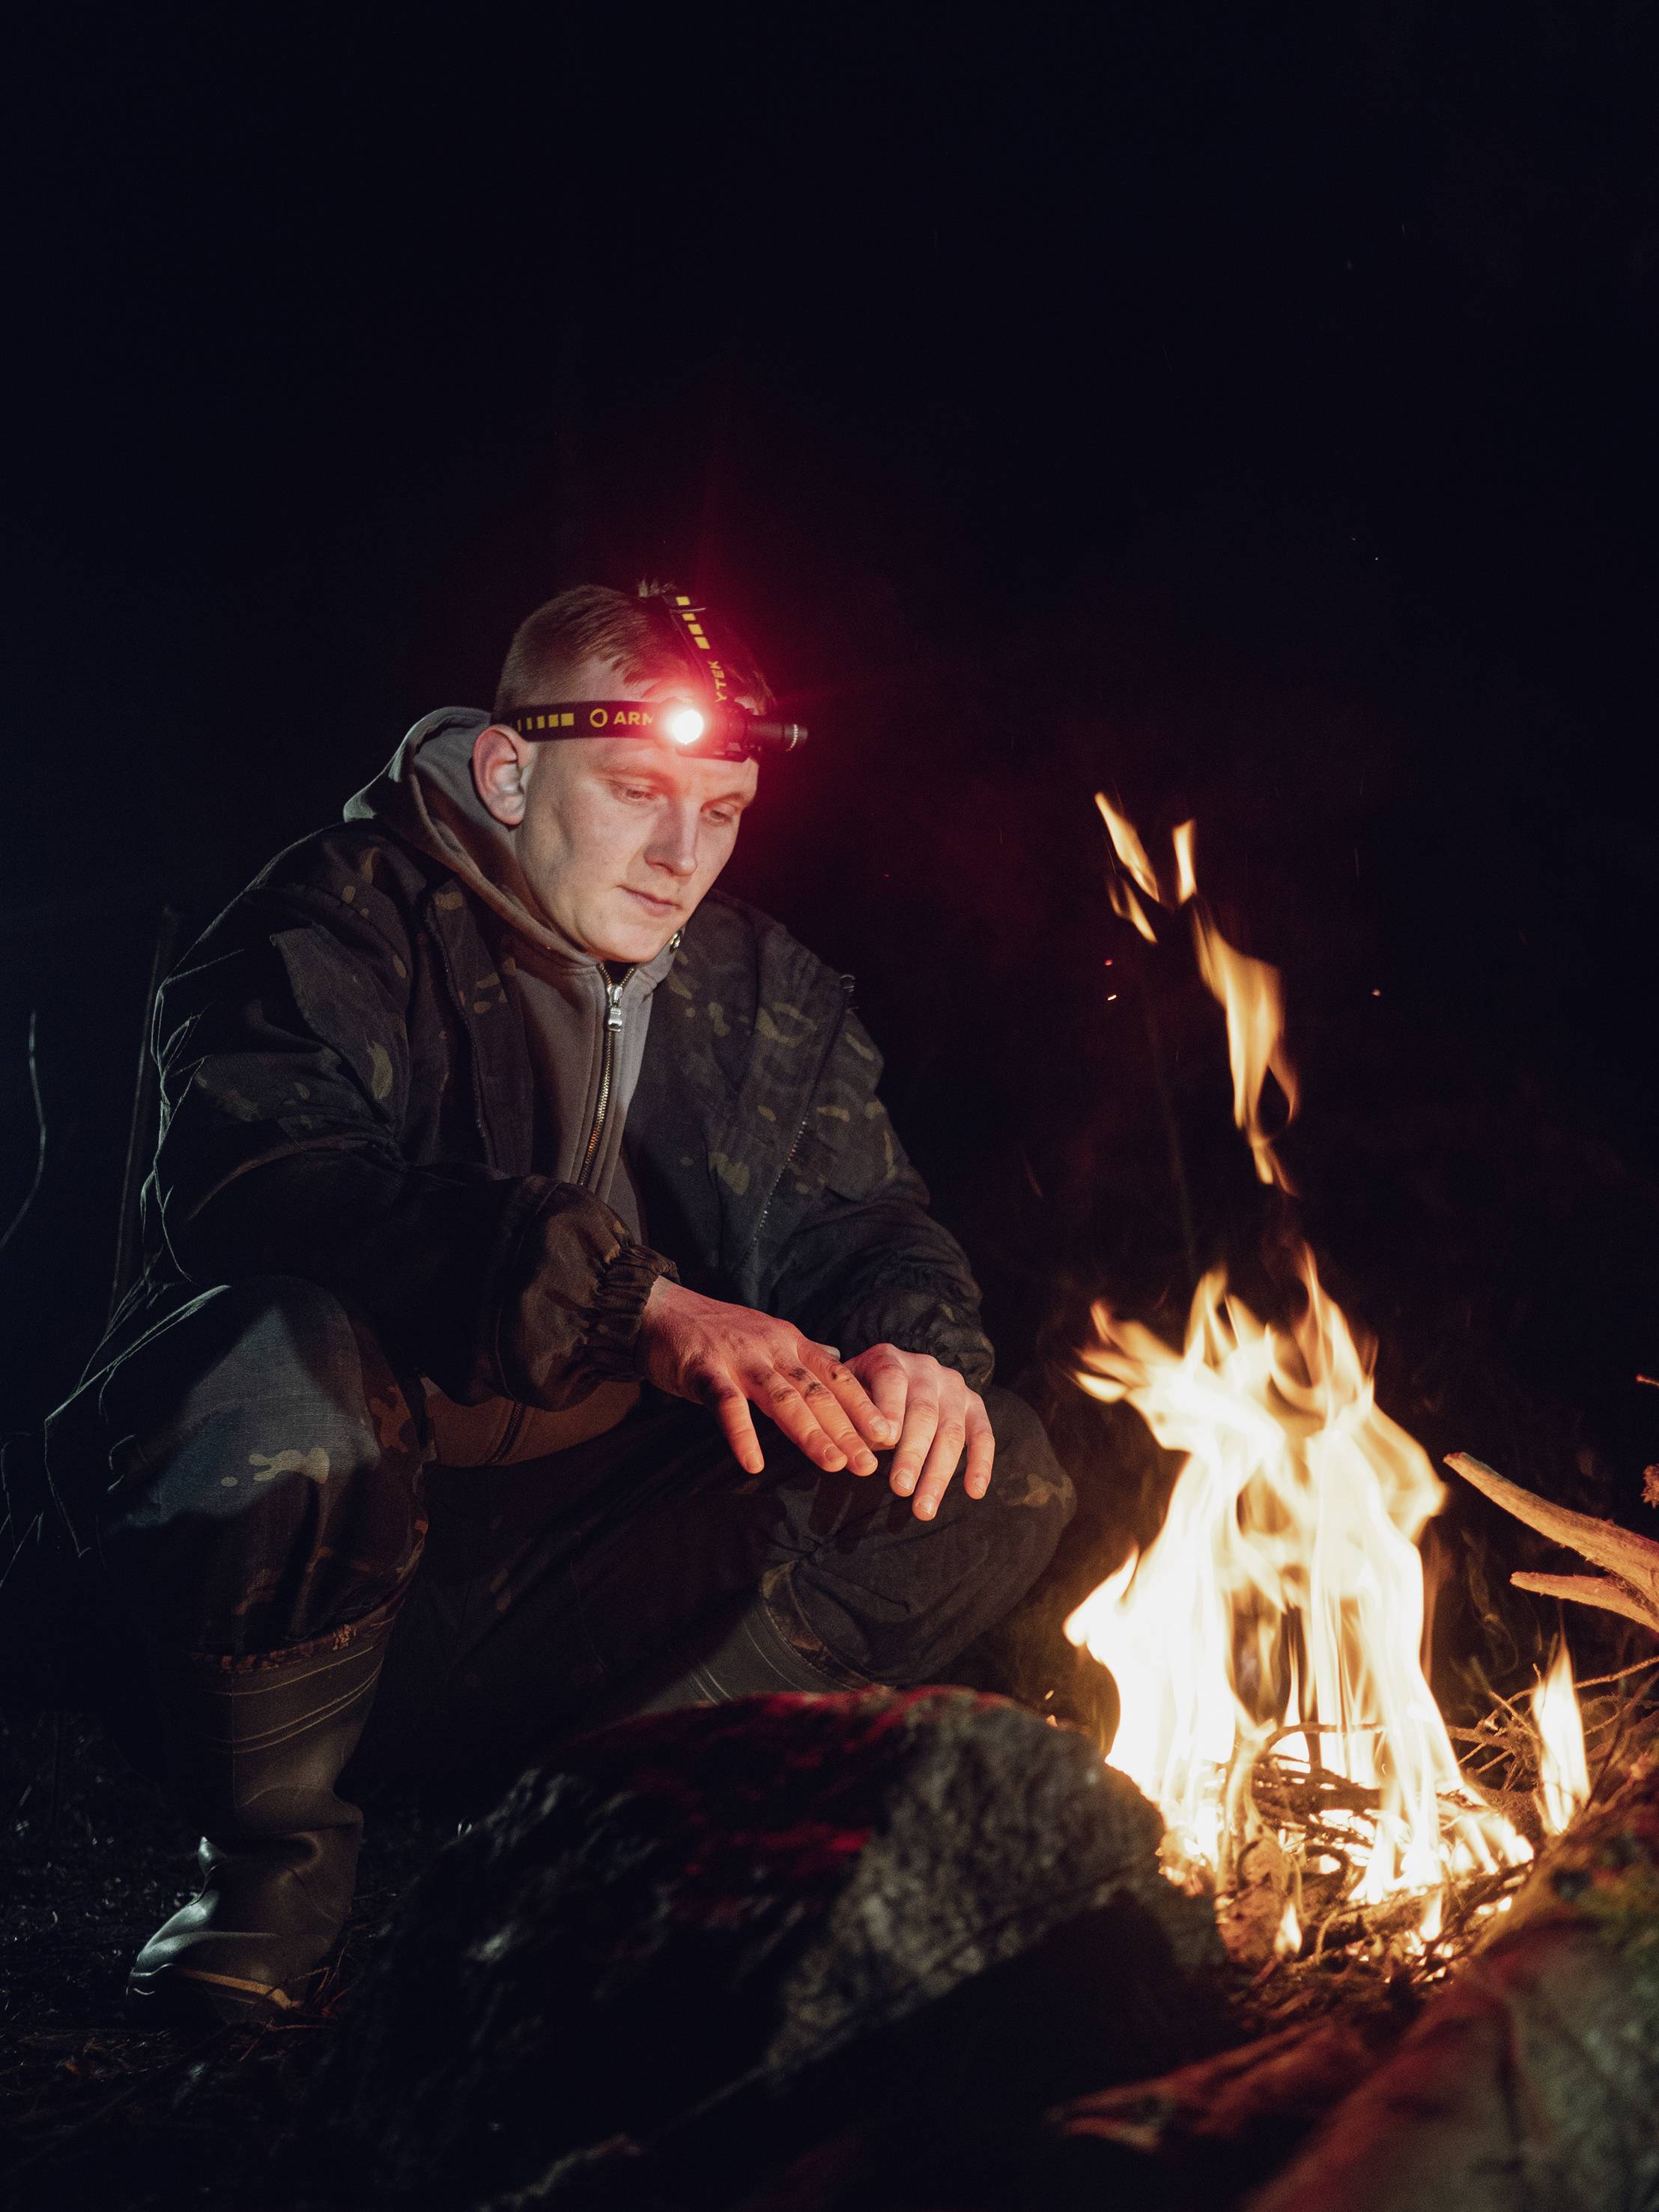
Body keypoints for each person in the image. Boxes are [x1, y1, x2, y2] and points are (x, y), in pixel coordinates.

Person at [35, 583, 1075, 2026]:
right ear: (511, 771)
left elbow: (867, 1220)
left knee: (980, 1466)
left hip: (549, 1586)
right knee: (276, 1360)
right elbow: (271, 1177)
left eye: (721, 810)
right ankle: (268, 1874)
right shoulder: (331, 916)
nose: (681, 854)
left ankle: (587, 1820)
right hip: (286, 1572)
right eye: (640, 793)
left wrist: (923, 1354)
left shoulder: (756, 984)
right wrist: (631, 1303)